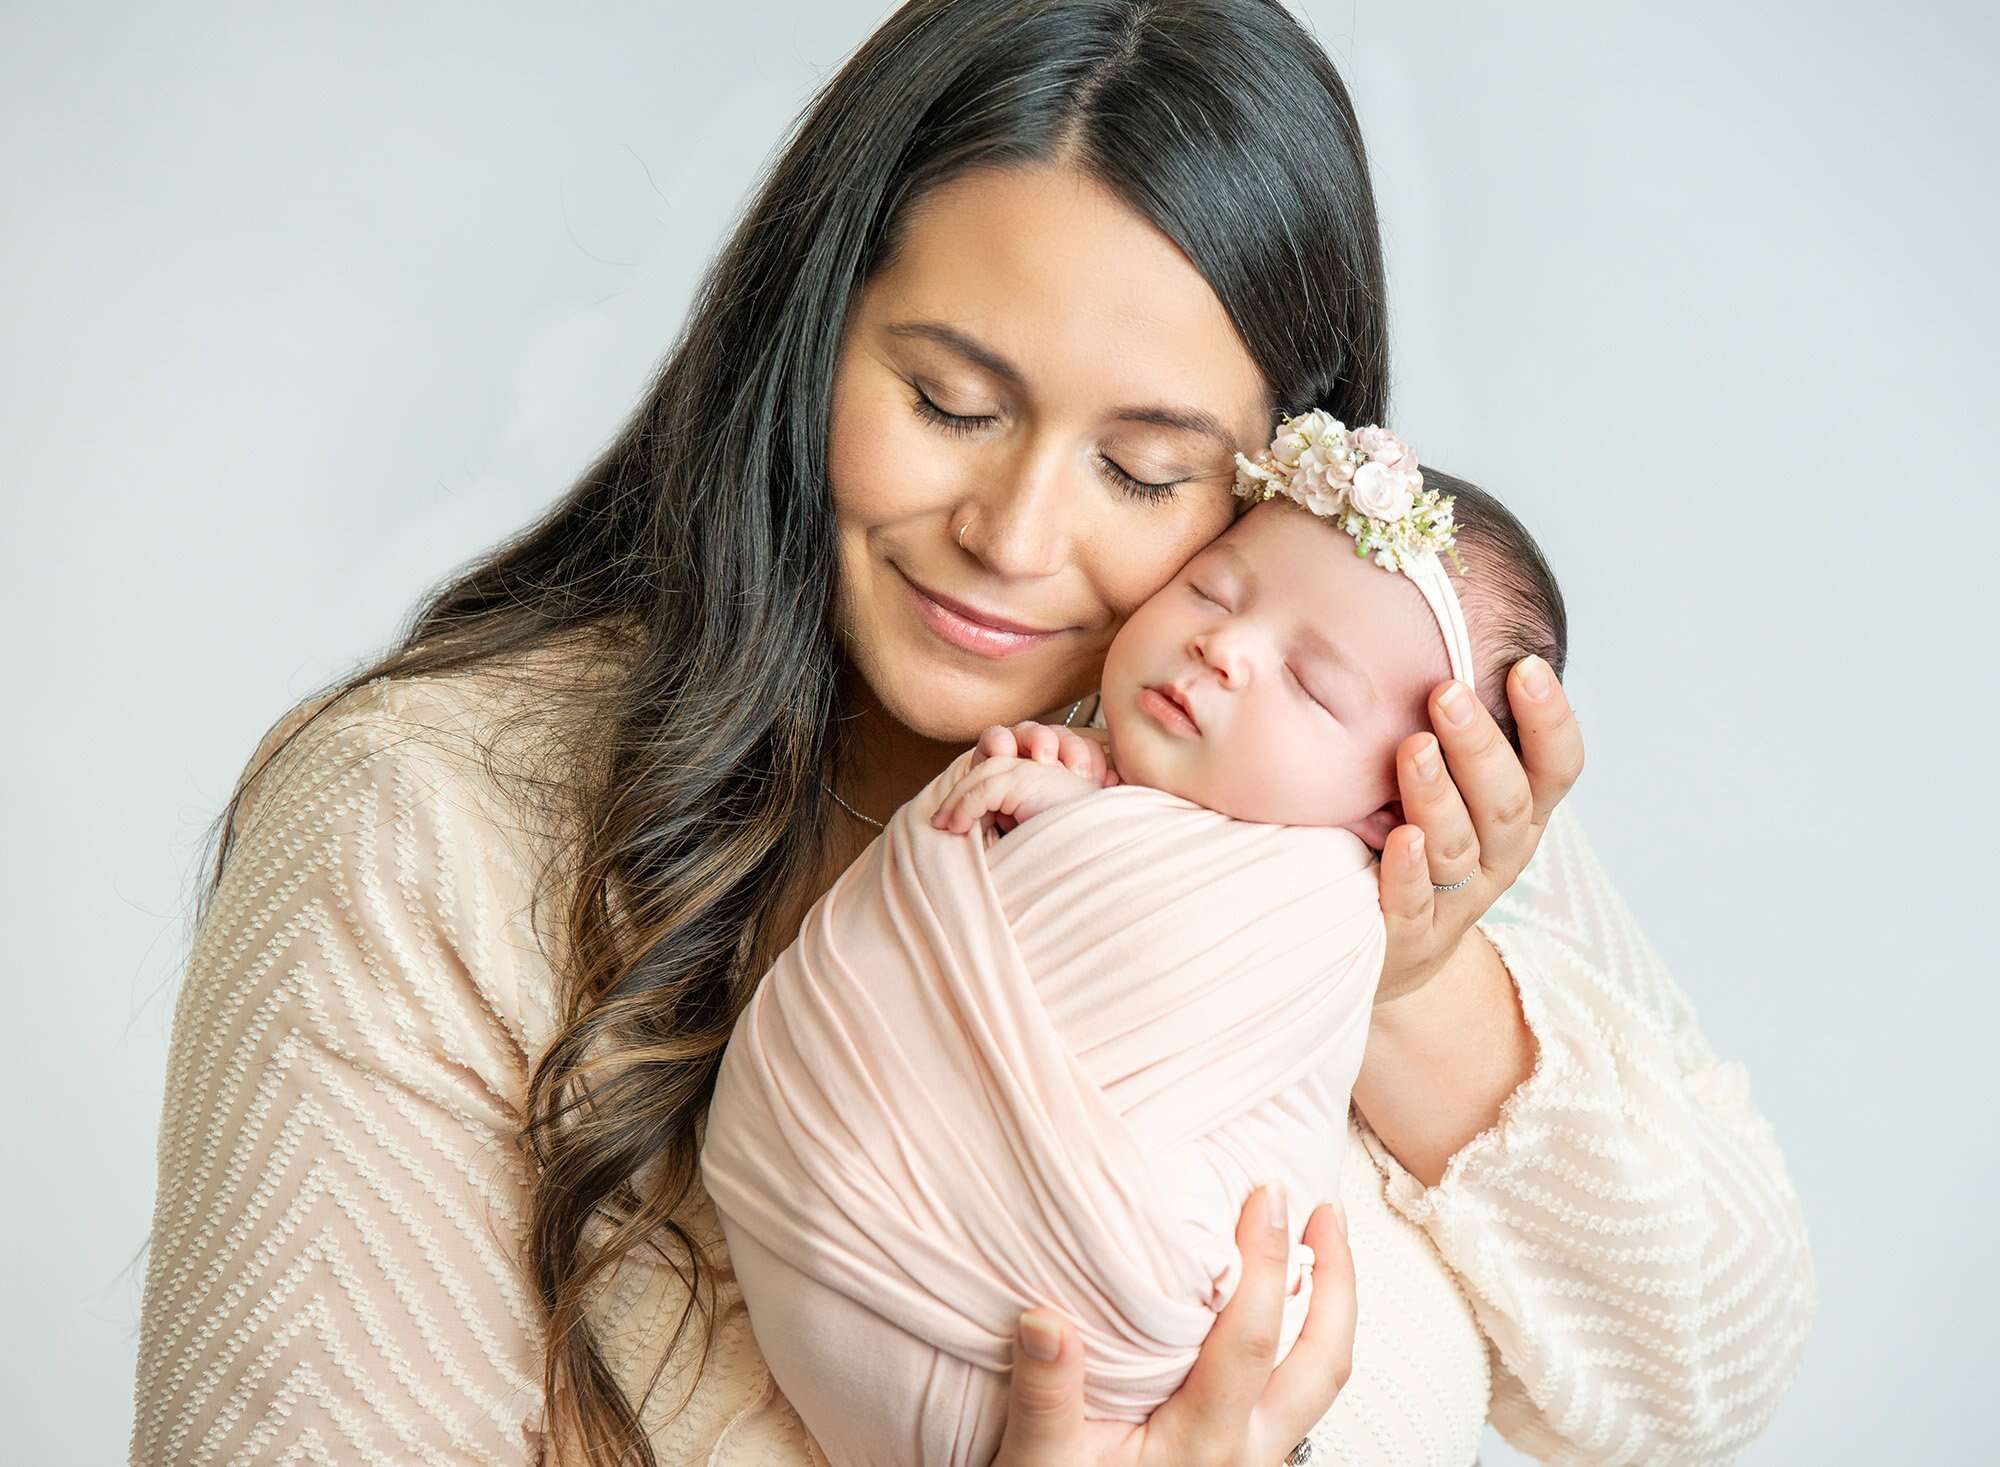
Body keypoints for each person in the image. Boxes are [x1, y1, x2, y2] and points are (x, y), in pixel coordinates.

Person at [127, 3, 1815, 1465]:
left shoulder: (1335, 781)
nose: (1013, 536)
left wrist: (1415, 977)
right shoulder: (428, 825)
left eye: (1149, 474)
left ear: (1284, 477)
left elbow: (1701, 1375)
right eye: (948, 403)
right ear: (812, 341)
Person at [700, 438, 1569, 1467]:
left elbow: (1147, 951)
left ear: (1401, 803)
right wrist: (1080, 803)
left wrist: (1075, 829)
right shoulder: (1092, 776)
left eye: (1311, 682)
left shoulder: (1321, 902)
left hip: (1085, 1359)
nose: (1224, 647)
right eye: (1208, 590)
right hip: (827, 1218)